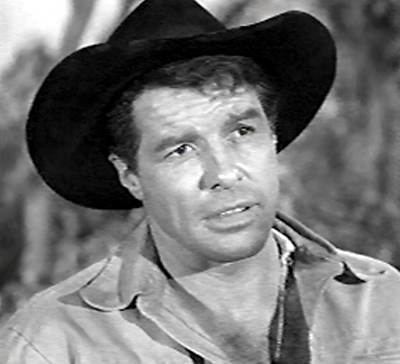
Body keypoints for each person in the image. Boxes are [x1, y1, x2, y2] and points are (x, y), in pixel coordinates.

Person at [1, 0, 400, 363]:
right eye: (180, 150)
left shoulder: (381, 302)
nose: (224, 173)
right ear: (130, 175)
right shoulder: (57, 343)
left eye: (242, 132)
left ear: (273, 137)